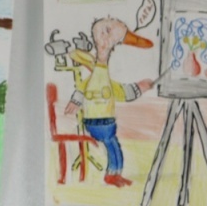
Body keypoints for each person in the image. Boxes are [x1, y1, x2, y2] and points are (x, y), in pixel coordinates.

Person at [65, 17, 155, 187]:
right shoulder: (99, 76)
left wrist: (140, 87)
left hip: (101, 121)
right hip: (99, 122)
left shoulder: (100, 77)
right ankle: (112, 175)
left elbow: (119, 91)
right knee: (113, 146)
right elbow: (119, 92)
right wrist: (76, 100)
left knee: (113, 146)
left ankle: (114, 174)